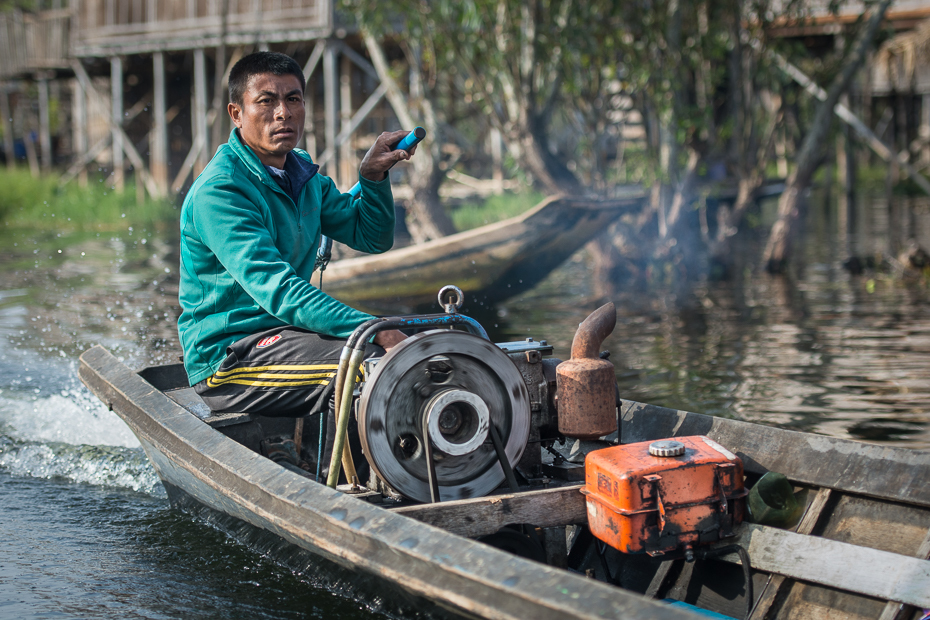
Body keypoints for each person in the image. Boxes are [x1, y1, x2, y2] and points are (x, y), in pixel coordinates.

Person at [177, 51, 412, 419]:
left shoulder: (301, 173)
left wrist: (373, 177)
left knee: (438, 341)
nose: (283, 113)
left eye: (293, 99)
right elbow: (280, 289)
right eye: (266, 101)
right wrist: (372, 329)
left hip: (289, 338)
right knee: (373, 360)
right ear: (236, 114)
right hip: (230, 362)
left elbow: (372, 236)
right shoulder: (220, 192)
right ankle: (348, 474)